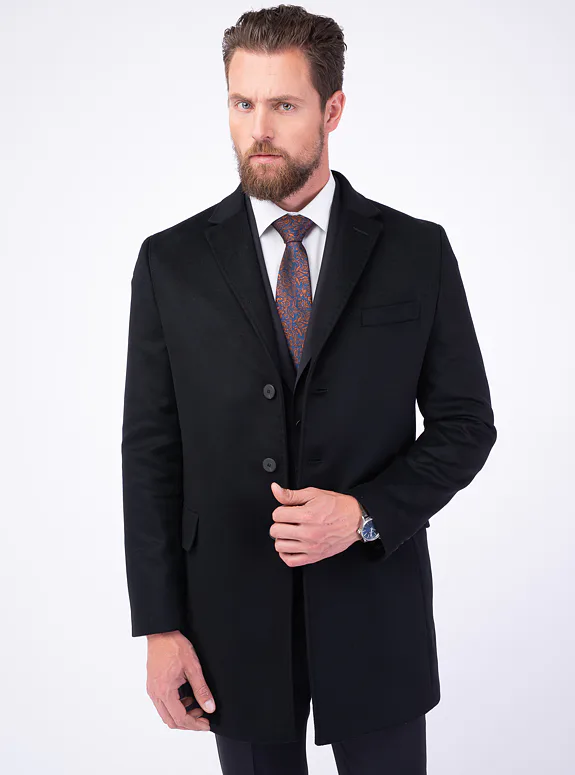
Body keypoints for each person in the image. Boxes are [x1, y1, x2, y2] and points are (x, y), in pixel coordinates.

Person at [121, 5, 497, 774]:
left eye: (283, 105)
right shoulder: (170, 263)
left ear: (332, 110)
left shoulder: (415, 251)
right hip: (228, 624)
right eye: (241, 103)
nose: (258, 129)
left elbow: (465, 422)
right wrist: (159, 626)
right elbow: (152, 451)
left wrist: (363, 513)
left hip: (375, 613)